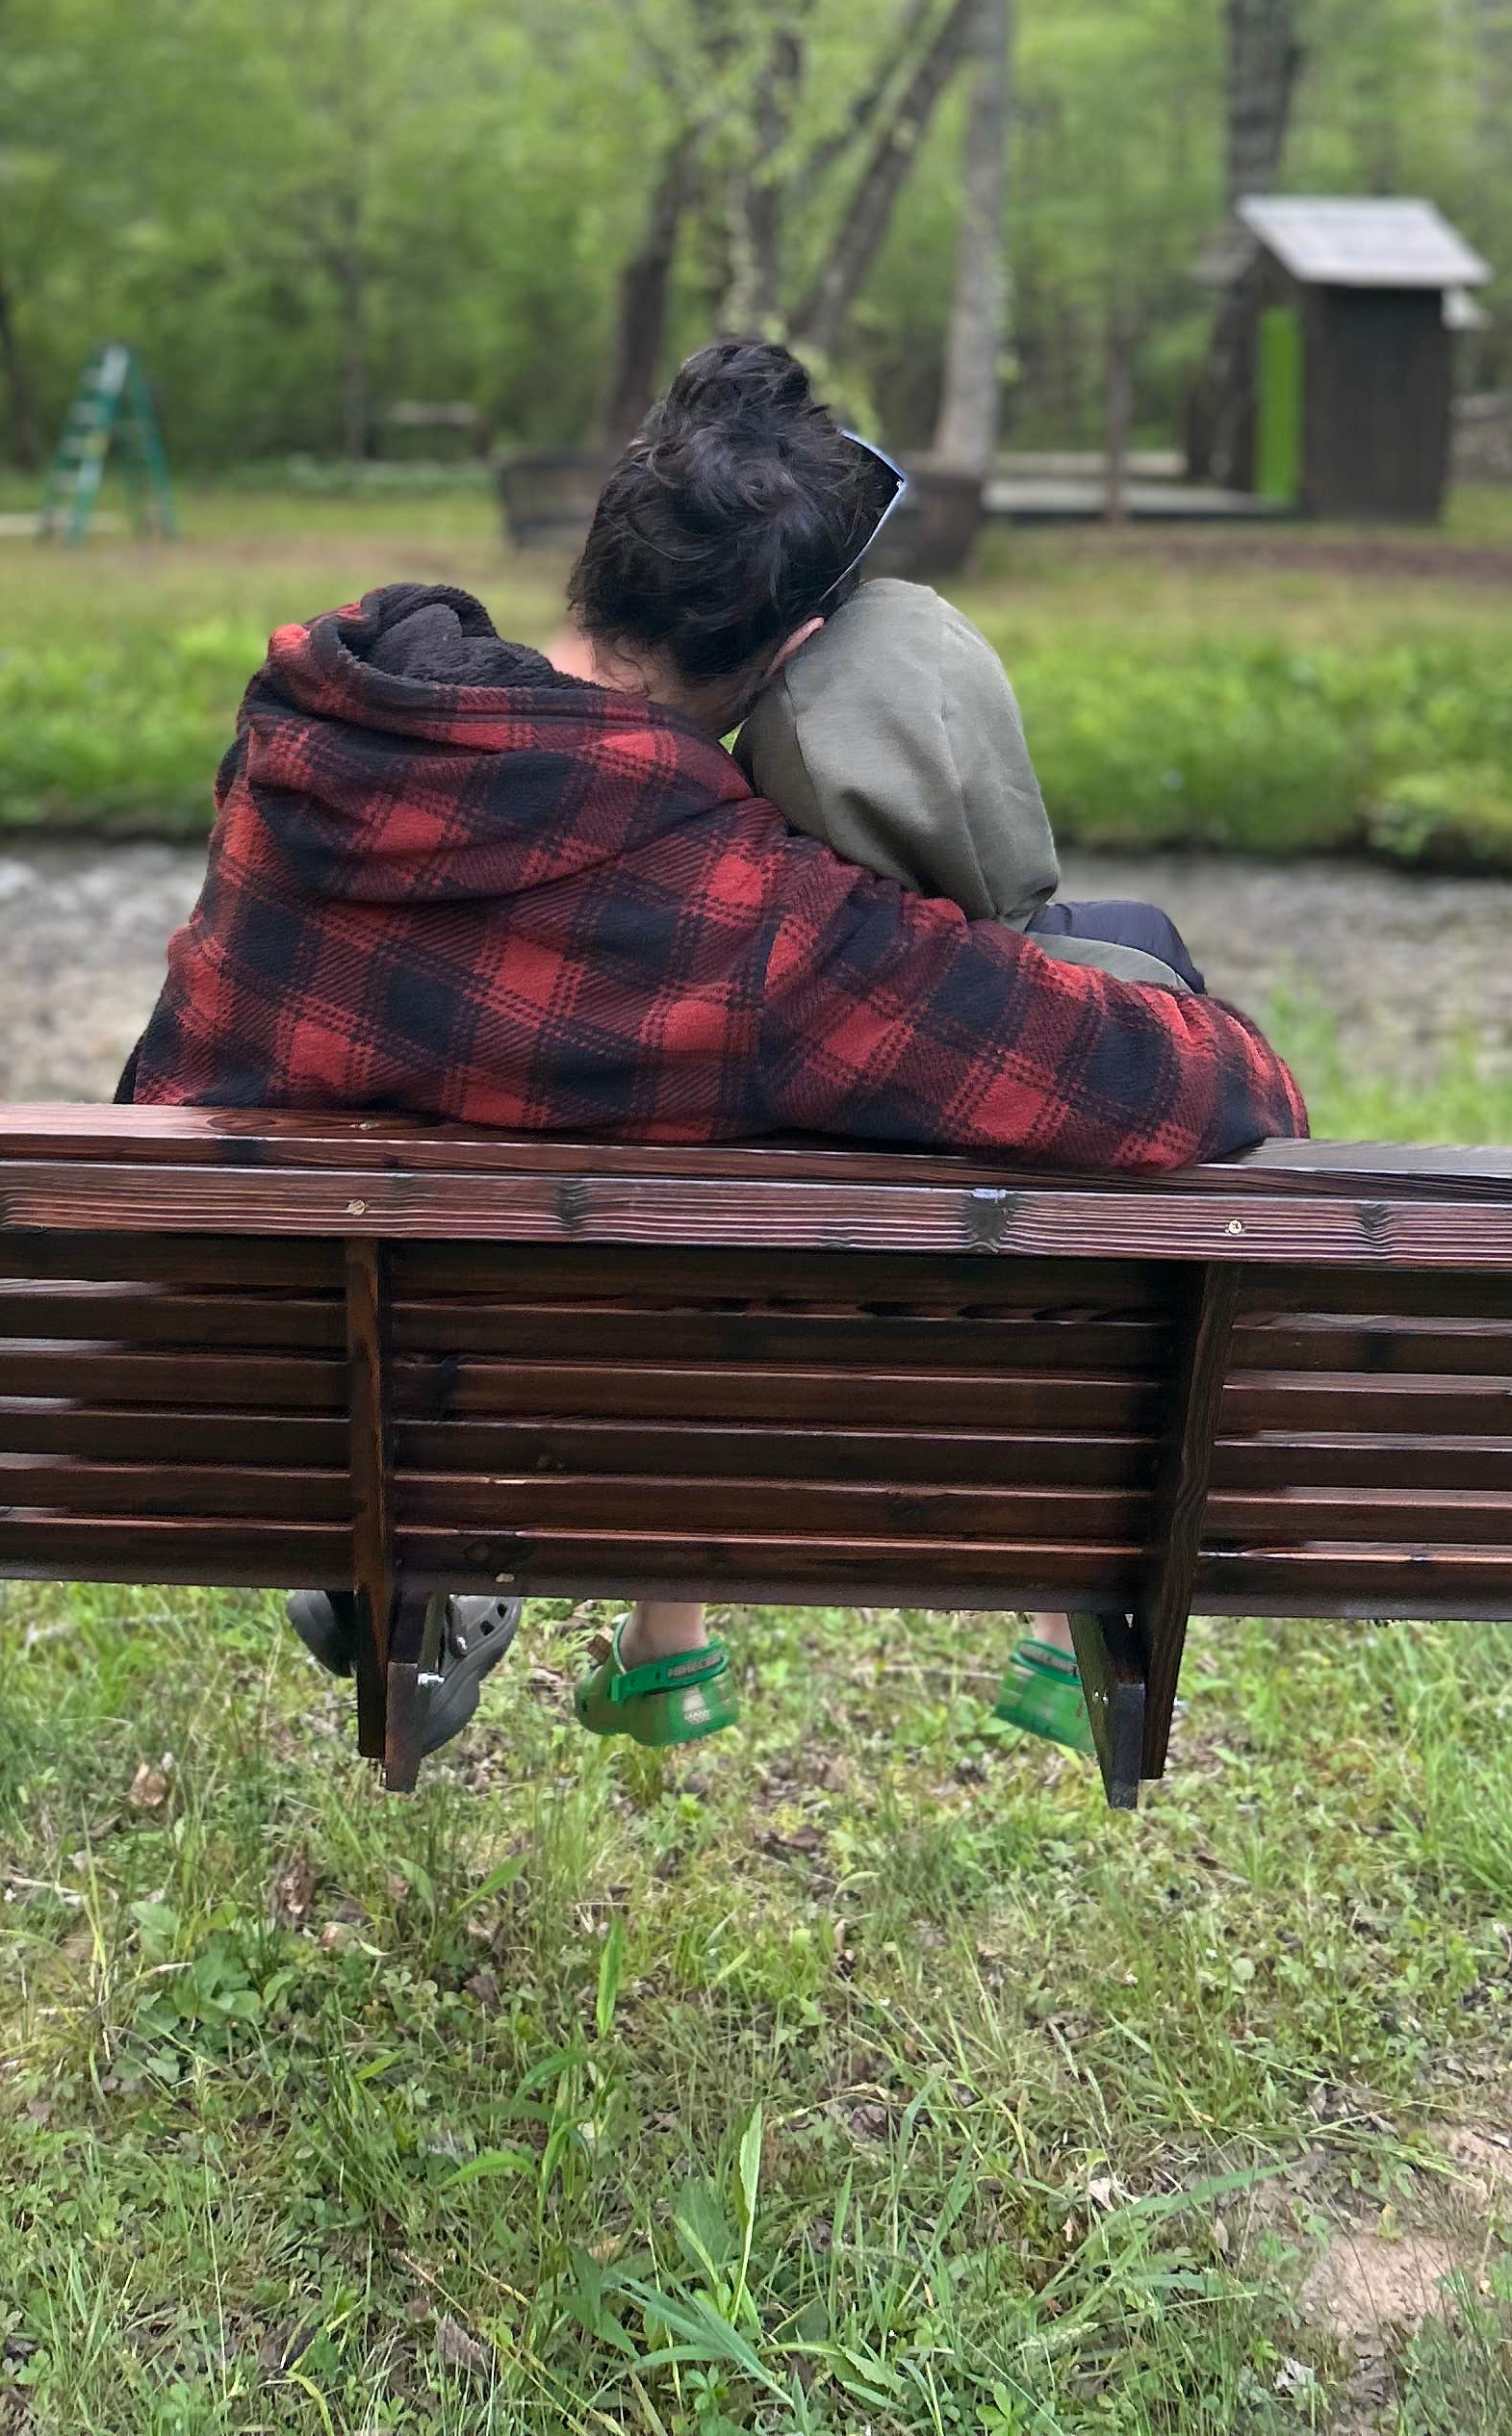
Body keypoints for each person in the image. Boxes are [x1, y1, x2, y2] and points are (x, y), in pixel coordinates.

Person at [126, 337, 1306, 1760]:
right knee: (1105, 955)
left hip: (238, 1383)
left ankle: (420, 1561)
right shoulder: (752, 922)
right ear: (796, 656)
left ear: (601, 555)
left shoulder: (322, 723)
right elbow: (1184, 1089)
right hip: (528, 1406)